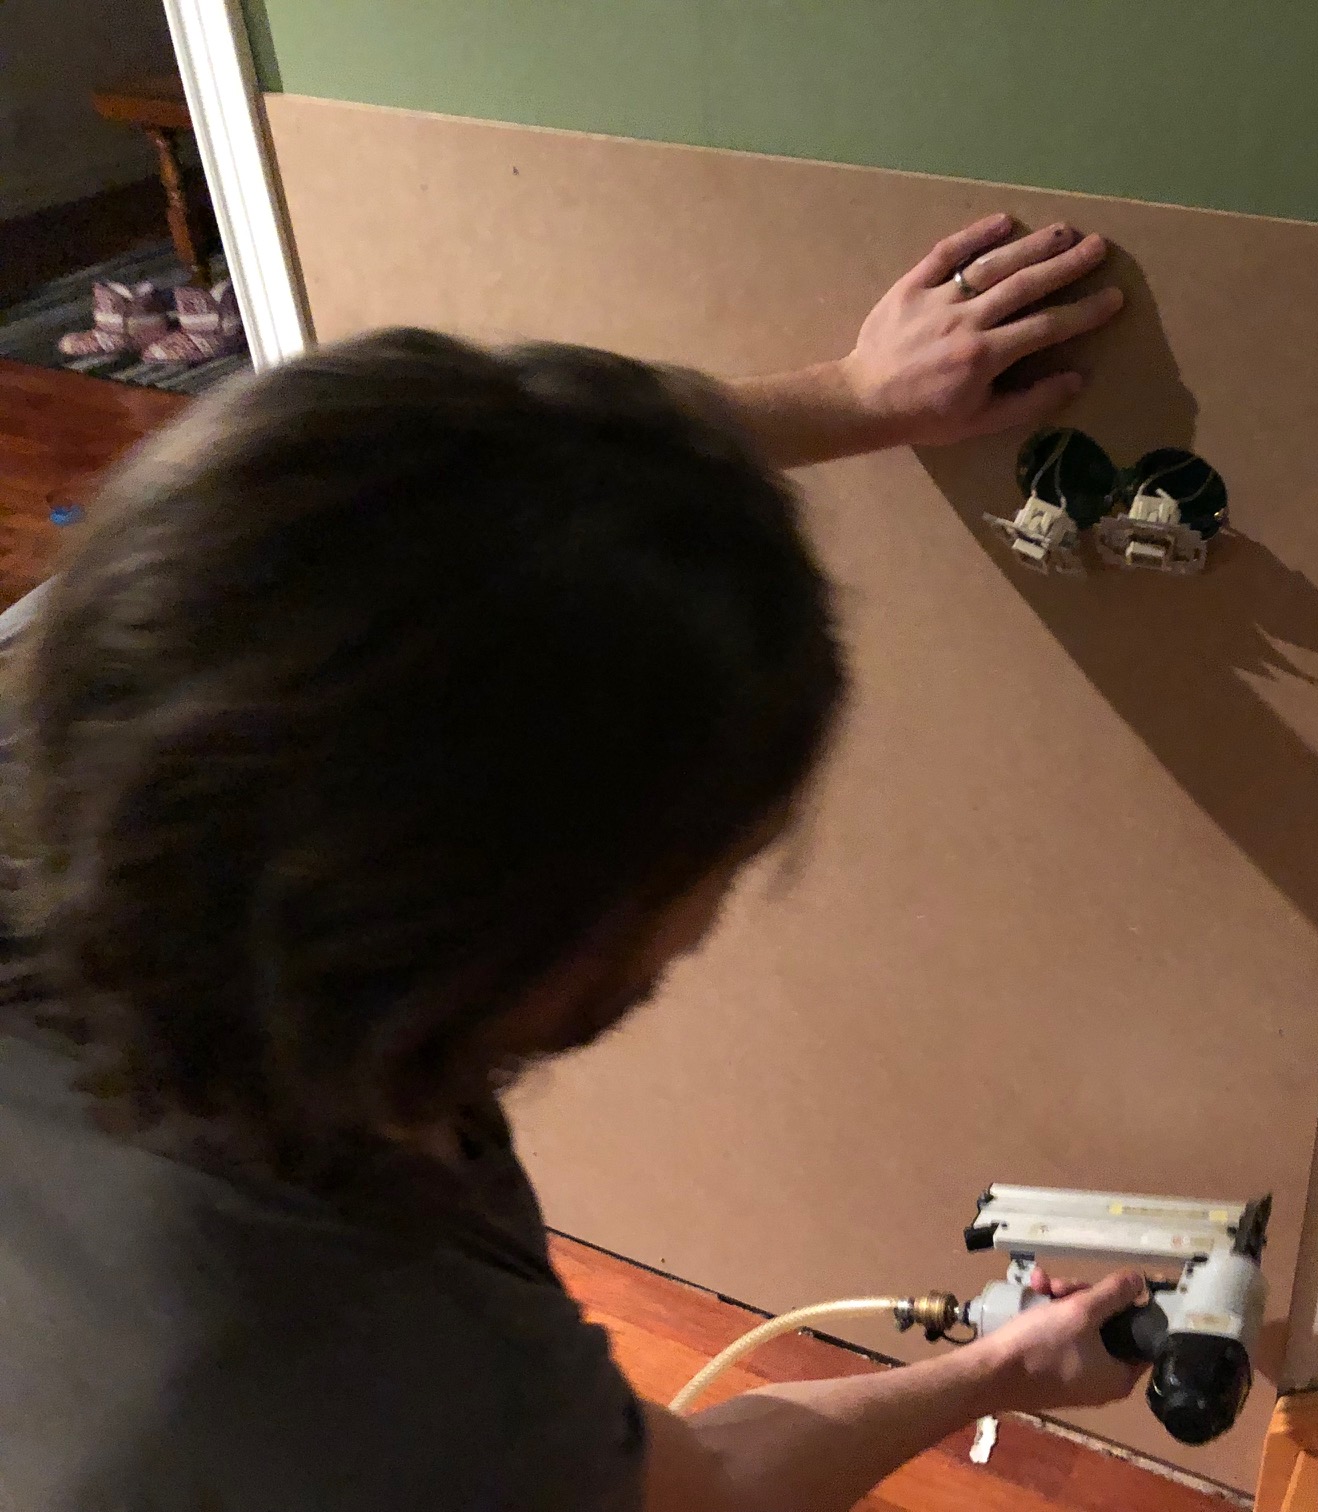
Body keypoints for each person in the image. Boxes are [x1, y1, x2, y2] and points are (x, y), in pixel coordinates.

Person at [0, 214, 1147, 1512]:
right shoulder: (386, 1384)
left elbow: (410, 514)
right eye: (726, 858)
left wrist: (849, 397)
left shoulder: (116, 702)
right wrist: (1002, 1370)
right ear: (541, 941)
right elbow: (708, 1487)